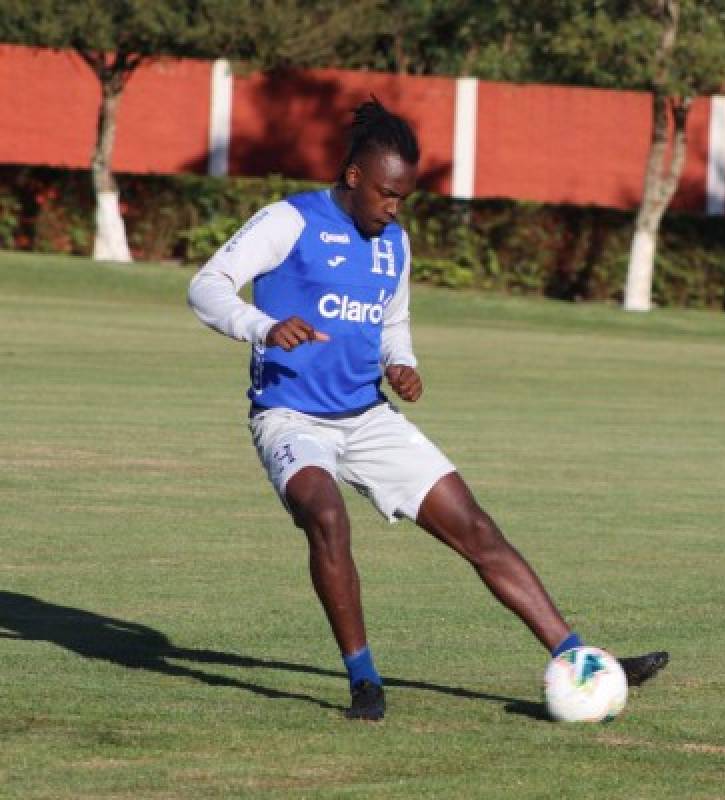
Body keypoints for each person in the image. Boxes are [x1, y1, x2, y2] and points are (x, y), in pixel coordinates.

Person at [187, 98, 667, 721]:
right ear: (354, 177)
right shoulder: (289, 221)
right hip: (291, 418)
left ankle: (578, 658)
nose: (394, 207)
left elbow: (393, 320)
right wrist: (263, 325)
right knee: (325, 515)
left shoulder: (394, 244)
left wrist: (402, 362)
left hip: (367, 415)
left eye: (404, 197)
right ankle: (364, 680)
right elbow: (206, 286)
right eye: (387, 193)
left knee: (476, 527)